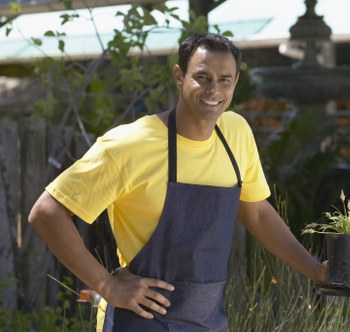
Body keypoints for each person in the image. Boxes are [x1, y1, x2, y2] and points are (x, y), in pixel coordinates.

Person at [28, 32, 328, 331]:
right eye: (202, 76)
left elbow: (258, 213)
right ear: (179, 76)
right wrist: (107, 284)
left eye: (225, 79)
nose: (214, 89)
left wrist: (316, 270)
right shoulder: (130, 144)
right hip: (140, 322)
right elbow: (46, 212)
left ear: (236, 81)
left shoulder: (236, 133)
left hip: (207, 322)